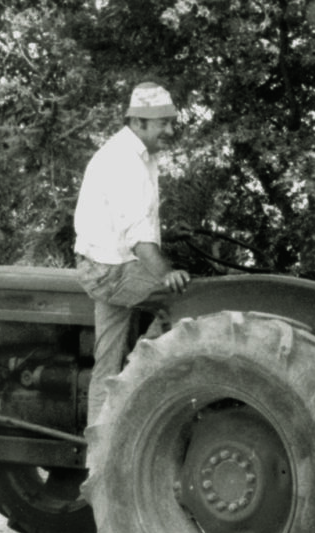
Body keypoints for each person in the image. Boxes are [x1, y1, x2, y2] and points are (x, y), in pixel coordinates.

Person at [74, 82, 190, 426]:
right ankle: (139, 374)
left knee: (106, 366)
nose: (170, 131)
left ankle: (99, 449)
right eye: (162, 123)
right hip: (112, 271)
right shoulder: (124, 160)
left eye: (171, 123)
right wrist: (166, 274)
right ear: (138, 122)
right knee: (186, 301)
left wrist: (169, 237)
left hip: (105, 267)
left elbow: (130, 224)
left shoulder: (138, 155)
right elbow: (138, 238)